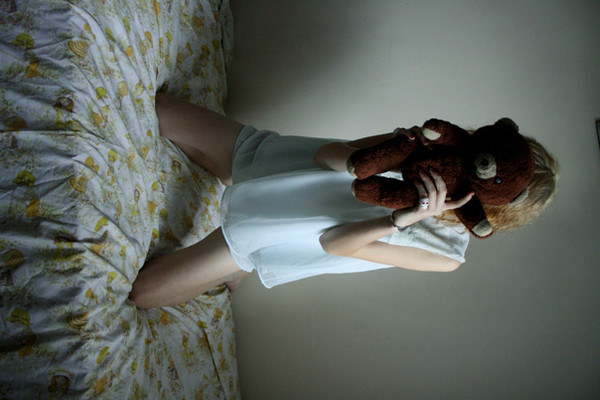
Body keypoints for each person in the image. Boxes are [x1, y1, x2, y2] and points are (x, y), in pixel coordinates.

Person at [129, 94, 558, 308]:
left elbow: (332, 243)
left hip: (274, 229)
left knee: (142, 293)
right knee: (158, 109)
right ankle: (236, 179)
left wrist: (402, 218)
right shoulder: (432, 147)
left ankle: (240, 262)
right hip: (275, 160)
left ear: (497, 207)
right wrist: (389, 150)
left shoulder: (446, 253)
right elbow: (326, 155)